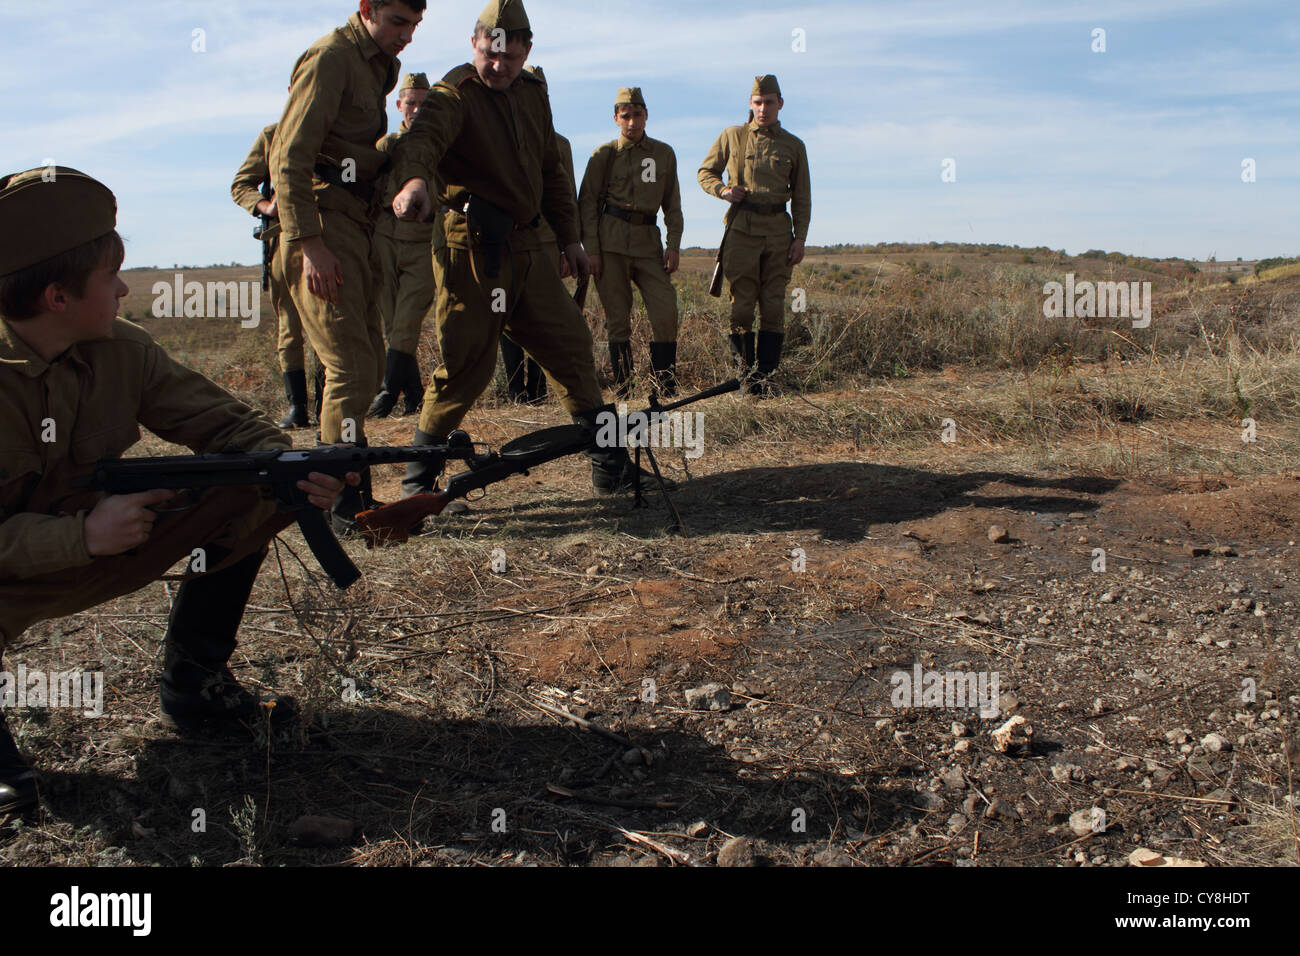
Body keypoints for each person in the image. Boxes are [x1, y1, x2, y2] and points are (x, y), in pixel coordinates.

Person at [0, 168, 355, 815]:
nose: (125, 289)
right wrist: (78, 535)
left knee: (260, 485)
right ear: (56, 297)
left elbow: (229, 426)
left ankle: (195, 681)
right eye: (111, 279)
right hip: (22, 564)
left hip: (95, 545)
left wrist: (297, 468)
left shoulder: (120, 350)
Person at [389, 0, 661, 499]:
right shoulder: (455, 94)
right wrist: (413, 181)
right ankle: (417, 487)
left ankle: (610, 467)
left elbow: (552, 171)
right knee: (465, 369)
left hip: (532, 248)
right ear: (474, 42)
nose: (498, 66)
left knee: (572, 350)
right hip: (473, 251)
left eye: (509, 57)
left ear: (526, 51)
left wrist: (570, 238)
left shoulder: (534, 92)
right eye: (489, 54)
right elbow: (422, 141)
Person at [269, 0, 425, 531]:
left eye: (414, 25)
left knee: (361, 366)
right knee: (350, 369)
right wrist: (309, 243)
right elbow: (287, 156)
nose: (406, 36)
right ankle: (338, 504)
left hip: (355, 226)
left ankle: (345, 492)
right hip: (323, 226)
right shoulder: (331, 57)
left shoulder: (377, 66)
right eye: (398, 22)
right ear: (367, 9)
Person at [699, 74, 811, 396]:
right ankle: (745, 380)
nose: (763, 109)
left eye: (770, 102)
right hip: (742, 231)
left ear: (780, 104)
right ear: (751, 104)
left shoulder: (794, 145)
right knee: (742, 308)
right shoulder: (732, 136)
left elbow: (802, 196)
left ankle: (766, 380)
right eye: (758, 102)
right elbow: (705, 172)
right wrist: (722, 191)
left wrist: (800, 237)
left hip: (778, 232)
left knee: (773, 307)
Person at [579, 86, 684, 397]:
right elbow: (586, 203)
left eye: (637, 115)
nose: (632, 122)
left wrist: (674, 244)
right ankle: (625, 389)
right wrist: (592, 251)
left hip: (648, 244)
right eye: (625, 116)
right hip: (610, 244)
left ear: (646, 115)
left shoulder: (663, 154)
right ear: (616, 118)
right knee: (617, 317)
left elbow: (673, 204)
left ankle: (663, 386)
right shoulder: (604, 155)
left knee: (666, 310)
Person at [230, 123, 324, 430]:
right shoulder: (273, 136)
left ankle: (329, 405)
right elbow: (241, 184)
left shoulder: (336, 131)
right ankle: (298, 408)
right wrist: (264, 206)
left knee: (328, 325)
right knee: (290, 328)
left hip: (329, 241)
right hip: (284, 244)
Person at [367, 72, 436, 419]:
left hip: (422, 240)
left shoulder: (441, 147)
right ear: (399, 106)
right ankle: (415, 396)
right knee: (392, 324)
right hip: (384, 239)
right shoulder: (385, 146)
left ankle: (387, 393)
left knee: (407, 321)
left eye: (425, 104)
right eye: (411, 103)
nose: (417, 110)